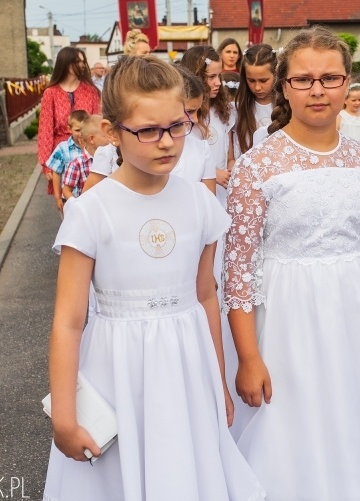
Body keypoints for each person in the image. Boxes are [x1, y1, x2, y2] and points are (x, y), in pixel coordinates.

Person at [223, 25, 360, 501]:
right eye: (304, 79)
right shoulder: (256, 165)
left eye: (330, 78)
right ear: (285, 86)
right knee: (297, 426)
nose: (318, 90)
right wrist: (247, 358)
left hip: (358, 315)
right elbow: (238, 274)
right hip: (288, 321)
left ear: (348, 83)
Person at [42, 55, 265, 501]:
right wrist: (65, 415)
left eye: (176, 126)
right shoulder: (91, 210)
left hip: (188, 365)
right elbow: (68, 321)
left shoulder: (200, 204)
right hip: (116, 368)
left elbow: (205, 297)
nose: (166, 143)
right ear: (111, 132)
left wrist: (218, 382)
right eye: (148, 130)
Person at [37, 47, 100, 195]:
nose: (82, 65)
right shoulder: (50, 93)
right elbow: (45, 130)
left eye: (83, 61)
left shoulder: (91, 91)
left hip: (87, 153)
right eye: (77, 61)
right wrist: (46, 164)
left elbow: (97, 123)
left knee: (89, 198)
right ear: (65, 63)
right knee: (66, 204)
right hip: (62, 156)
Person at [180, 46, 235, 208]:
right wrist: (213, 173)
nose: (218, 82)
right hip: (196, 192)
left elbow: (229, 155)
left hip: (223, 192)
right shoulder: (185, 114)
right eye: (211, 77)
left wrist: (231, 169)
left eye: (219, 76)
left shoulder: (224, 110)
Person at [173, 64, 217, 194]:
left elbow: (209, 203)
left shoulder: (201, 149)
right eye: (189, 111)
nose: (195, 119)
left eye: (197, 111)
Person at [233, 43, 276, 156]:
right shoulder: (236, 109)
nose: (257, 87)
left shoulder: (289, 106)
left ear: (276, 75)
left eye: (263, 80)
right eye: (251, 81)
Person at [46, 110, 89, 213]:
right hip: (69, 198)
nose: (81, 134)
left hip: (88, 198)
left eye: (84, 130)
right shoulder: (62, 148)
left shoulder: (92, 145)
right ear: (69, 129)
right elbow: (56, 172)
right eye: (77, 130)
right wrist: (57, 197)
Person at [62, 115, 103, 200]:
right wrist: (76, 205)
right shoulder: (77, 164)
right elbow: (66, 190)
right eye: (105, 135)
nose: (110, 137)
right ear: (91, 139)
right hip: (88, 208)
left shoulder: (112, 158)